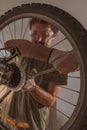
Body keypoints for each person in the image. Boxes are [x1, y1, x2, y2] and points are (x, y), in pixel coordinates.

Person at [3, 18, 72, 130]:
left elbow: (50, 101)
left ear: (54, 36)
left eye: (45, 34)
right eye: (34, 33)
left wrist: (33, 88)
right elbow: (8, 44)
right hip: (12, 118)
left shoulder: (58, 64)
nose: (38, 38)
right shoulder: (24, 51)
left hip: (32, 124)